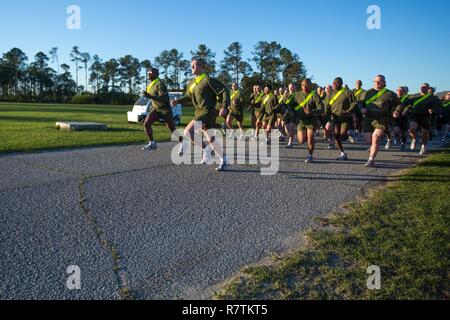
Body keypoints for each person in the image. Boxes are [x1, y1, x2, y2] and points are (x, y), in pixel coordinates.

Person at [171, 58, 230, 171]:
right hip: (199, 112)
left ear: (203, 67)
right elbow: (188, 97)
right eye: (192, 65)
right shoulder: (191, 83)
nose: (194, 67)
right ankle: (224, 160)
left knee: (188, 131)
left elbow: (224, 90)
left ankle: (206, 149)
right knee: (210, 138)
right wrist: (177, 101)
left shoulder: (208, 79)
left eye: (197, 64)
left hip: (207, 111)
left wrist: (224, 107)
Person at [358, 75, 400, 167]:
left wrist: (397, 111)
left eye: (380, 81)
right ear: (373, 82)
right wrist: (362, 108)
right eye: (376, 81)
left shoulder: (390, 94)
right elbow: (360, 101)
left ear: (384, 83)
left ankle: (371, 159)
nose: (378, 83)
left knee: (375, 137)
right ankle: (382, 137)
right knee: (368, 139)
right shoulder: (367, 92)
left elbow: (398, 104)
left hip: (382, 118)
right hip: (369, 118)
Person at [287, 79, 324, 163]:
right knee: (301, 140)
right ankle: (311, 140)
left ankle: (310, 155)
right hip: (300, 121)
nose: (305, 87)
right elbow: (289, 105)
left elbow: (321, 109)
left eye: (307, 85)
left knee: (310, 138)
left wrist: (312, 111)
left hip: (311, 120)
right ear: (301, 86)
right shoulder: (297, 95)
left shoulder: (314, 95)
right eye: (303, 85)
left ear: (310, 86)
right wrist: (291, 112)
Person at [141, 68, 179, 151]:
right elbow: (152, 97)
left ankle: (183, 143)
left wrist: (149, 96)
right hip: (156, 109)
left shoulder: (160, 84)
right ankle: (152, 144)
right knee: (146, 124)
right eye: (148, 72)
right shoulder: (150, 84)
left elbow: (165, 98)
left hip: (165, 110)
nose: (148, 74)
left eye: (150, 72)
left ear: (156, 74)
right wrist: (146, 96)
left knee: (172, 129)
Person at [402, 83, 442, 155]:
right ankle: (414, 139)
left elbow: (438, 108)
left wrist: (433, 110)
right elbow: (406, 104)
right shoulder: (414, 96)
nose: (423, 88)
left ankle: (423, 146)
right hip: (414, 115)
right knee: (412, 129)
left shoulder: (433, 98)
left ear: (428, 88)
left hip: (425, 116)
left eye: (425, 87)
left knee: (424, 133)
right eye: (422, 87)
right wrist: (401, 111)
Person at [325, 77, 357, 160]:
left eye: (337, 83)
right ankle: (343, 153)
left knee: (342, 135)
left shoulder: (347, 92)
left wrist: (348, 110)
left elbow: (354, 103)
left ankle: (350, 133)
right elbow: (327, 105)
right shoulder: (331, 93)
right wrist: (327, 113)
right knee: (336, 136)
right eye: (333, 83)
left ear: (341, 83)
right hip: (335, 118)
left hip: (345, 117)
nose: (334, 84)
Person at [392, 86, 410, 150]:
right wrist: (393, 112)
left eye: (401, 90)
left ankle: (403, 143)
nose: (399, 91)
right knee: (396, 129)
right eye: (398, 90)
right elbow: (390, 106)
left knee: (404, 133)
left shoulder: (407, 99)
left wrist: (405, 111)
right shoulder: (393, 98)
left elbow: (409, 106)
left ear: (403, 91)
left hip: (404, 117)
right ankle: (396, 137)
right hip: (395, 117)